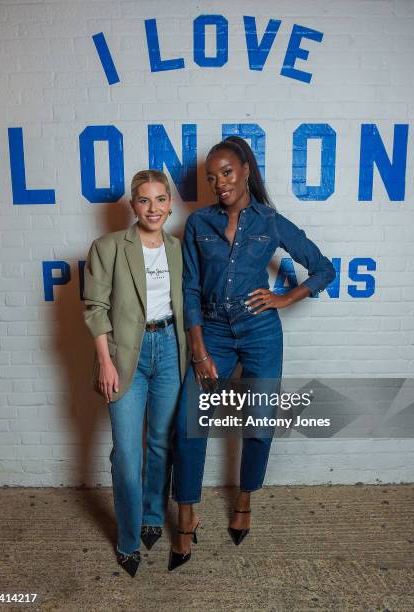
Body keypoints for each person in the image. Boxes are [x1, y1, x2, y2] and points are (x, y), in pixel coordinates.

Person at [168, 136, 336, 571]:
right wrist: (200, 349)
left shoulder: (271, 221)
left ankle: (244, 500)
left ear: (245, 169)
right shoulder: (198, 223)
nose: (219, 182)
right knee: (191, 424)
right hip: (214, 332)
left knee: (259, 424)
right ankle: (187, 514)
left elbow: (324, 269)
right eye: (211, 177)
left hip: (260, 331)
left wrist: (284, 298)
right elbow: (188, 288)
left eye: (226, 172)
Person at [83, 170, 188, 578]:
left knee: (161, 443)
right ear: (133, 206)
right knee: (127, 454)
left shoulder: (179, 249)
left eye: (161, 199)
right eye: (144, 200)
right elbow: (95, 307)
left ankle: (151, 516)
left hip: (170, 351)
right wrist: (106, 362)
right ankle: (128, 539)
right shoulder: (108, 247)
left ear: (170, 203)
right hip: (126, 355)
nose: (154, 208)